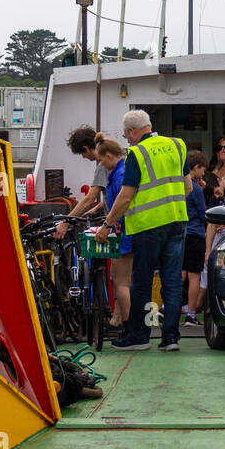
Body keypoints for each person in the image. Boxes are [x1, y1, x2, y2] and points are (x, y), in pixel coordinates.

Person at [95, 109, 191, 352]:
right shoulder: (177, 145)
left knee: (142, 282)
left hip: (148, 226)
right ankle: (170, 338)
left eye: (127, 135)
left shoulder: (136, 153)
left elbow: (126, 196)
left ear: (132, 132)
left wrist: (107, 225)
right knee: (171, 281)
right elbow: (188, 187)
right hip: (178, 221)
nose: (127, 140)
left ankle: (139, 336)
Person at [93, 139, 133, 332]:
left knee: (120, 282)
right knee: (125, 281)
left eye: (101, 159)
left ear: (109, 155)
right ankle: (119, 320)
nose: (101, 164)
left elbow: (122, 201)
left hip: (124, 232)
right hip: (128, 231)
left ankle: (130, 327)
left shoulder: (120, 175)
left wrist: (107, 226)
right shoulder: (121, 171)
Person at [53, 125, 110, 239]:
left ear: (86, 148)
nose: (84, 157)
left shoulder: (103, 165)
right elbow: (119, 193)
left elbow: (89, 198)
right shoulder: (116, 156)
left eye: (82, 153)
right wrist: (98, 207)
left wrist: (65, 222)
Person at [182, 151, 209, 324]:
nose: (203, 174)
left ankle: (166, 308)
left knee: (179, 273)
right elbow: (203, 214)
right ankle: (191, 315)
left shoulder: (180, 185)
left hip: (180, 234)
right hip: (195, 235)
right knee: (194, 277)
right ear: (196, 167)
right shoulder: (196, 189)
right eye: (203, 170)